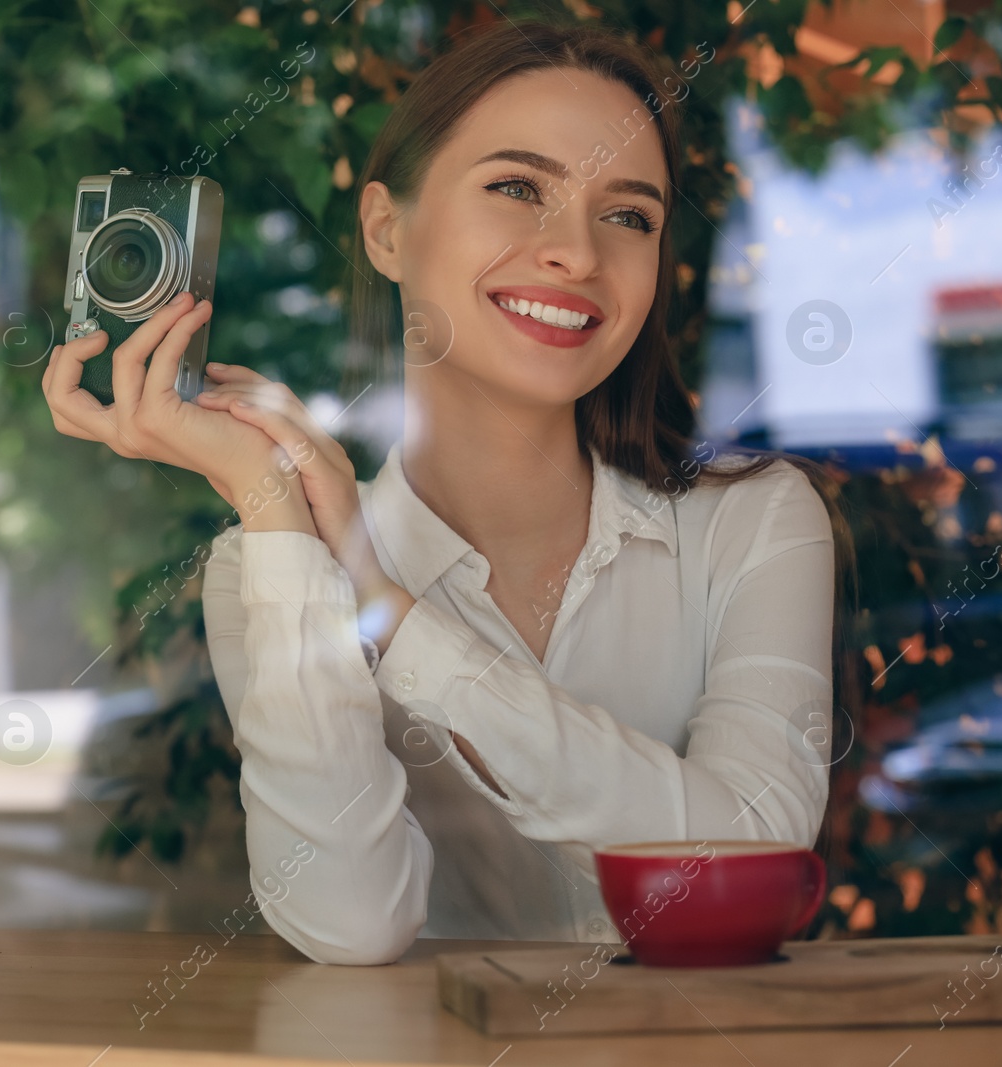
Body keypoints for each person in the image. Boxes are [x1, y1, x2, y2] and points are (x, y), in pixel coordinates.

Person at [42, 21, 857, 965]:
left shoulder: (755, 520)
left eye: (627, 214)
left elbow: (750, 850)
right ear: (388, 229)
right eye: (518, 188)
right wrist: (277, 510)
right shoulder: (273, 569)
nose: (577, 254)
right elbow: (350, 922)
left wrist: (392, 617)